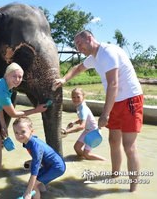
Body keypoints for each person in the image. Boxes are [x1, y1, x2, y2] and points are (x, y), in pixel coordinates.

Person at [53, 30, 143, 192]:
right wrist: (64, 79)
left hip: (130, 99)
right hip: (114, 100)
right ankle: (115, 176)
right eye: (76, 46)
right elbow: (78, 68)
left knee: (129, 146)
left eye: (80, 44)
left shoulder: (108, 52)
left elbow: (113, 84)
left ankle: (133, 190)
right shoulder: (93, 58)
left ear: (90, 38)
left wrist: (105, 114)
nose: (78, 48)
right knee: (113, 141)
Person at [13, 116, 66, 199]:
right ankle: (45, 194)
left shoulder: (35, 147)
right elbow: (42, 155)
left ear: (31, 131)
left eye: (23, 132)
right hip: (51, 165)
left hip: (56, 167)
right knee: (38, 181)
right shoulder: (29, 141)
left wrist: (28, 193)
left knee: (33, 183)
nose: (19, 135)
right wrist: (32, 161)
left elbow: (34, 172)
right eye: (16, 132)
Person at [61, 88, 106, 161]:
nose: (75, 99)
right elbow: (83, 120)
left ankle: (106, 162)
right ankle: (84, 161)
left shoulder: (83, 109)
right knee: (77, 148)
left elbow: (82, 126)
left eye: (78, 97)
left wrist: (67, 132)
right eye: (73, 97)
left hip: (94, 132)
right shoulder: (79, 107)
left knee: (87, 154)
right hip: (88, 130)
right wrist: (74, 122)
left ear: (83, 97)